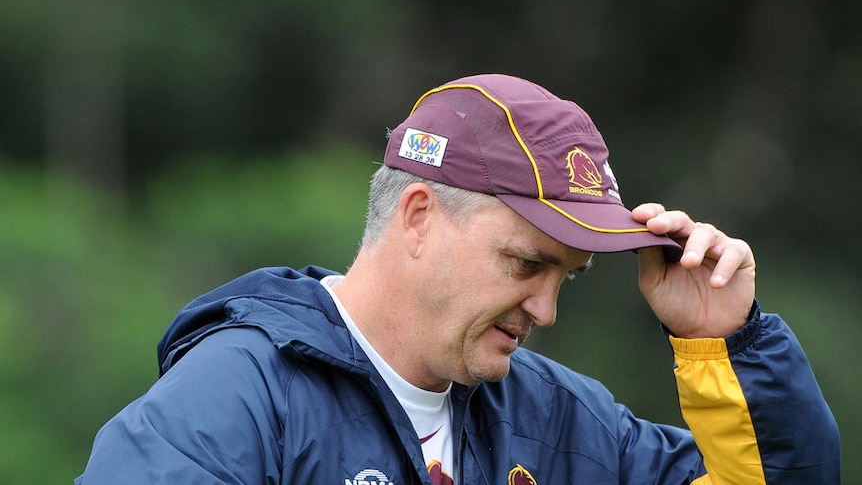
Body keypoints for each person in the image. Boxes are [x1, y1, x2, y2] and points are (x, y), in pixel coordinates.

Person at [76, 74, 840, 484]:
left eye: (565, 278)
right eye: (525, 263)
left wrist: (721, 341)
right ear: (417, 216)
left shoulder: (563, 421)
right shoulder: (239, 395)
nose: (544, 307)